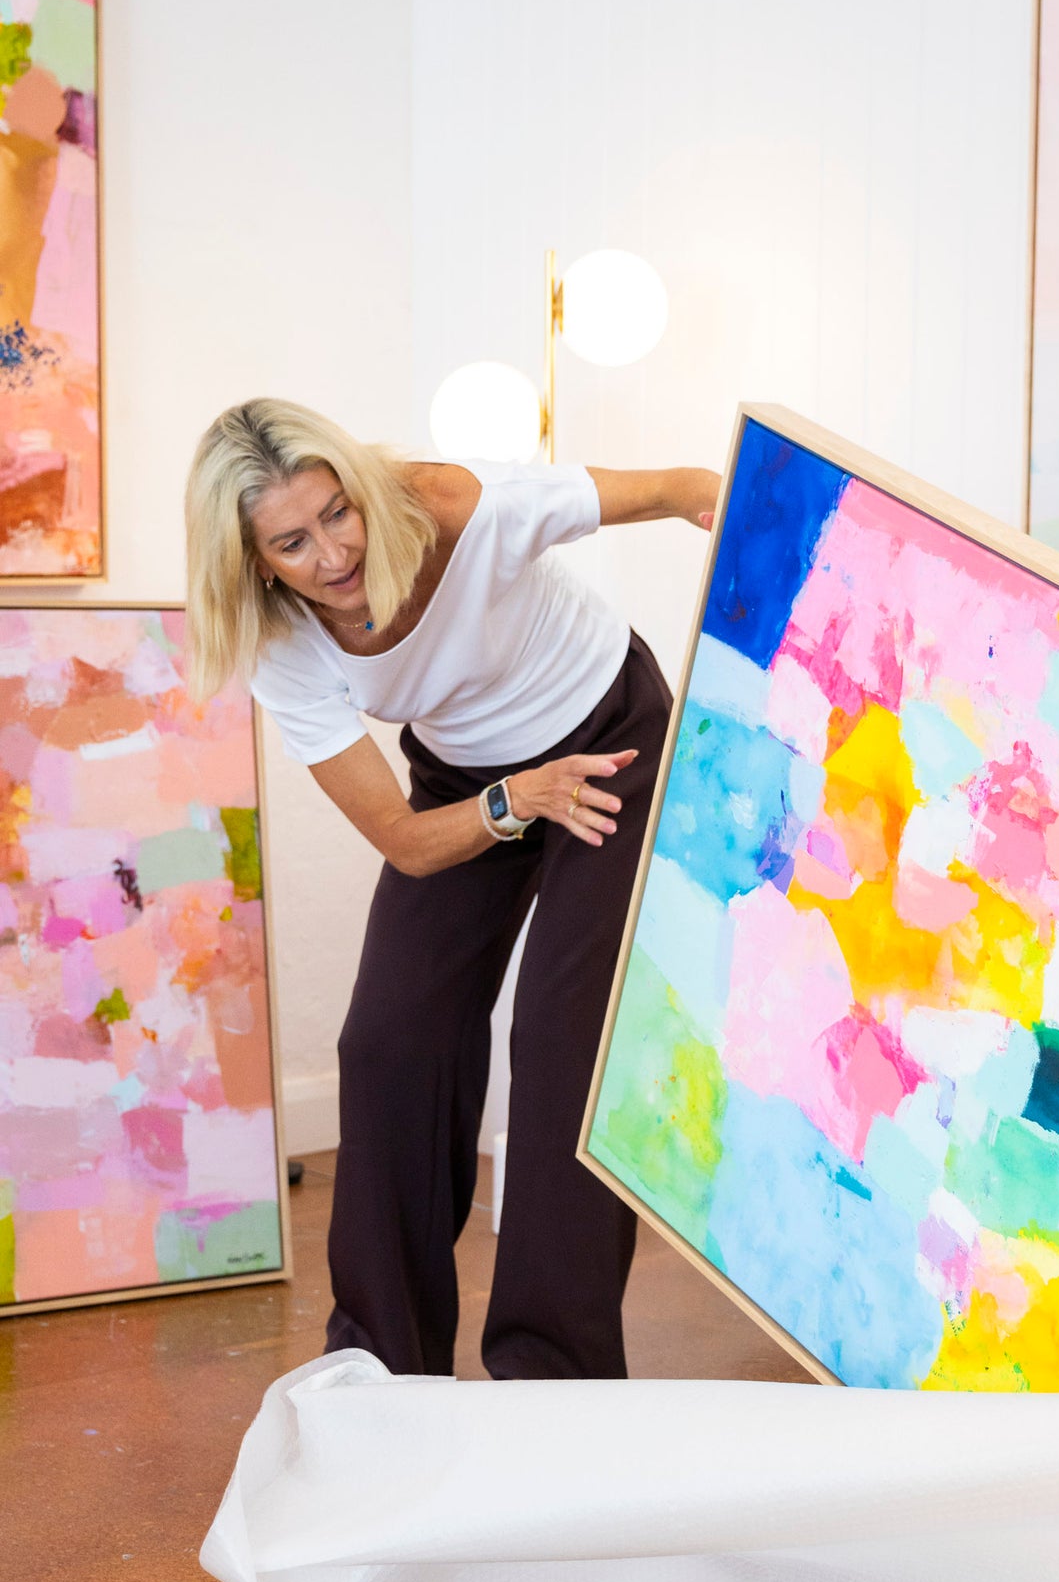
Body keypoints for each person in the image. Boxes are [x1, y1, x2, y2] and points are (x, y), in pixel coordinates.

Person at [184, 397, 718, 1381]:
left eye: (338, 513)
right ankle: (381, 1363)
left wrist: (750, 522)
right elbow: (403, 839)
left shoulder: (458, 505)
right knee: (388, 1040)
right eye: (293, 542)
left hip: (610, 745)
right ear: (254, 562)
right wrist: (514, 799)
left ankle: (554, 1374)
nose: (334, 553)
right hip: (472, 783)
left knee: (564, 1041)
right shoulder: (281, 645)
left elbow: (680, 489)